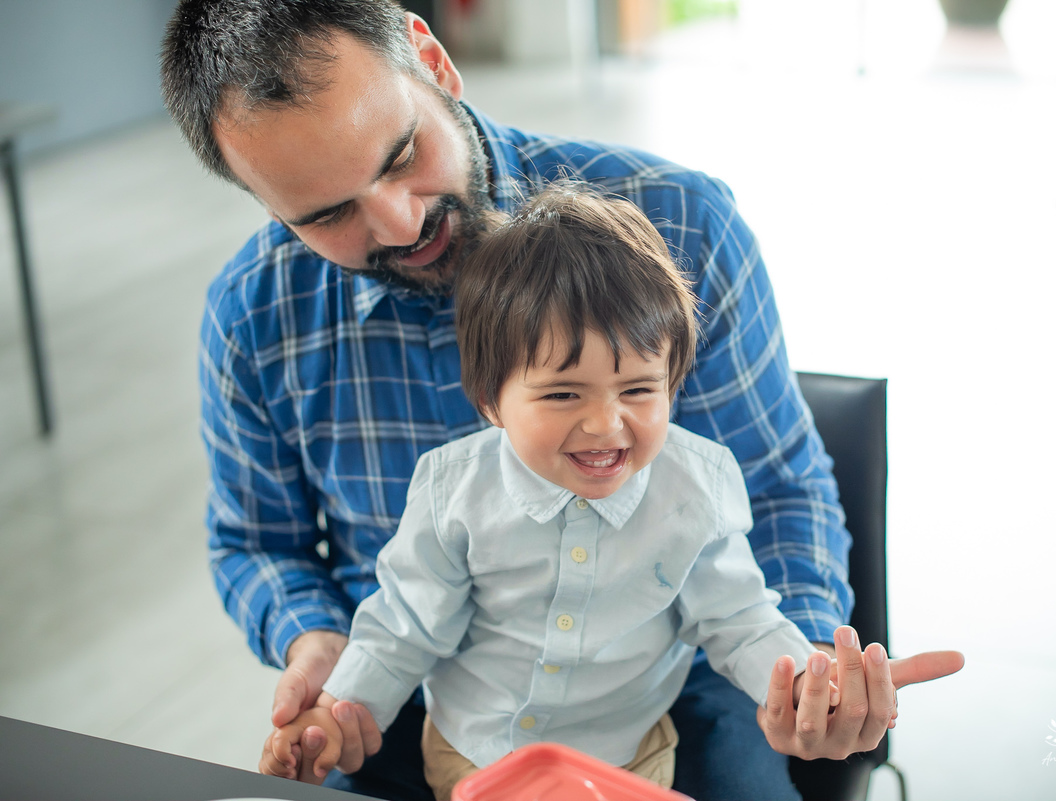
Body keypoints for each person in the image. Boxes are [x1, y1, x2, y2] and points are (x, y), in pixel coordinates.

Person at [159, 2, 964, 798]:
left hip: (669, 680)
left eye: (402, 156)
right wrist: (318, 644)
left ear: (433, 64)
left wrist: (803, 671)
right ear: (267, 204)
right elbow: (258, 540)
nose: (400, 224)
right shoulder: (253, 316)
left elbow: (777, 495)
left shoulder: (683, 223)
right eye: (329, 213)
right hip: (416, 692)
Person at [261, 184, 843, 800]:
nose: (605, 424)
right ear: (491, 400)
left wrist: (809, 680)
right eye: (564, 394)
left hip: (628, 758)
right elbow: (404, 625)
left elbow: (740, 620)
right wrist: (339, 709)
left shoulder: (695, 487)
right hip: (477, 753)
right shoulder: (452, 491)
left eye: (640, 390)